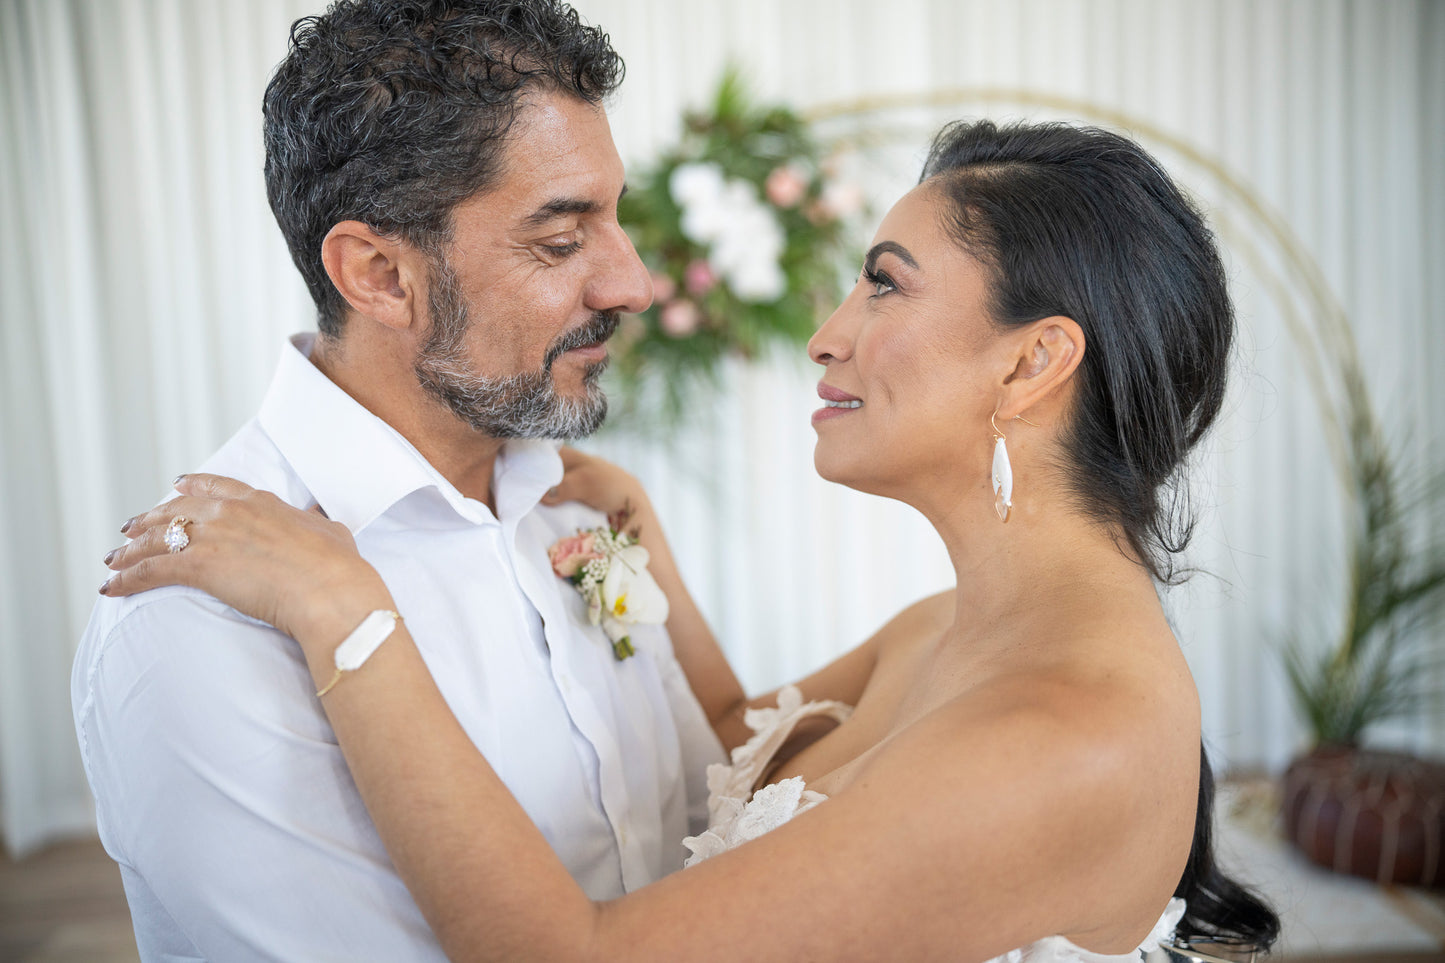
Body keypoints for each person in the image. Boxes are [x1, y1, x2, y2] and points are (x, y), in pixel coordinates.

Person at [103, 118, 1281, 961]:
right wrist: (640, 553)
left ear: (1031, 362)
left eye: (881, 286)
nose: (825, 336)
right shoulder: (956, 631)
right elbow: (738, 756)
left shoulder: (1059, 739)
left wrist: (350, 617)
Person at [72, 2, 739, 959]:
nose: (631, 284)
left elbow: (700, 812)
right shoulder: (195, 622)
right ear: (380, 274)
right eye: (561, 240)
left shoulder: (579, 506)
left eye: (615, 218)